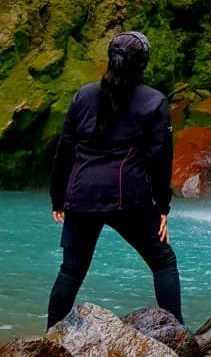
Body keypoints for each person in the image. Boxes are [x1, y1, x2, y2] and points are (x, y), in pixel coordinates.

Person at [47, 30, 183, 329]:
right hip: (129, 198)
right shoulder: (153, 102)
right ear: (143, 64)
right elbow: (160, 159)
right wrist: (162, 207)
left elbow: (65, 150)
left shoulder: (84, 95)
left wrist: (59, 197)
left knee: (71, 270)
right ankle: (179, 333)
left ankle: (48, 341)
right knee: (162, 261)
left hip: (81, 195)